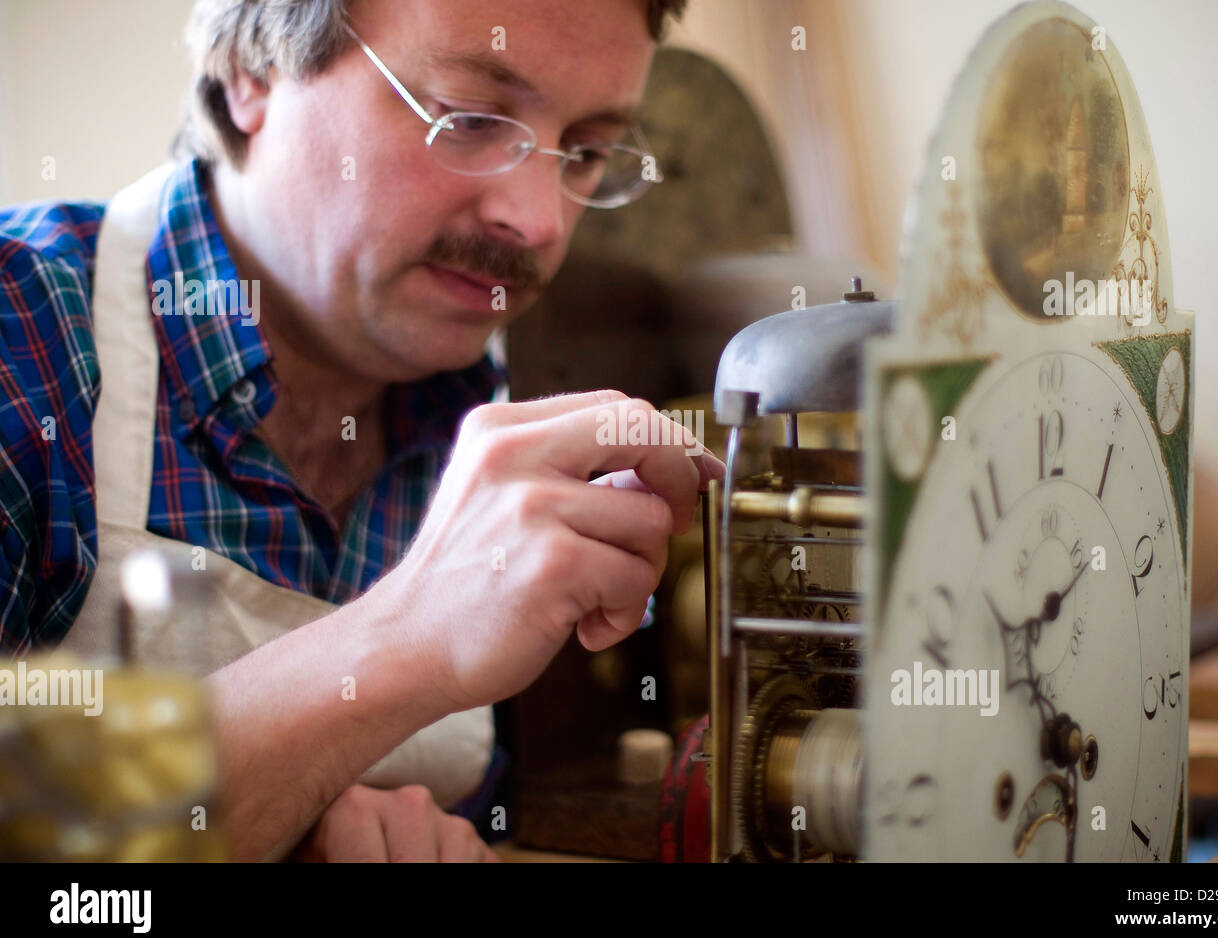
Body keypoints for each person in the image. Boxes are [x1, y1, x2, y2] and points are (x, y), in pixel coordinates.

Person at [0, 0, 714, 861]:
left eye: (589, 151)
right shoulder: (24, 338)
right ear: (251, 73)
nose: (539, 223)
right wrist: (399, 645)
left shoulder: (508, 408)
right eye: (469, 119)